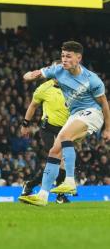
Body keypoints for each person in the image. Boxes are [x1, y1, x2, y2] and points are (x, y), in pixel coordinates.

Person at [20, 41, 110, 206]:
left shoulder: (92, 79)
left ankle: (70, 180)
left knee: (65, 136)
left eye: (68, 56)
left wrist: (108, 129)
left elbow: (104, 104)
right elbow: (35, 74)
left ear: (78, 58)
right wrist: (29, 75)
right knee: (54, 151)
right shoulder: (57, 71)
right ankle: (42, 195)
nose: (64, 59)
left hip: (92, 113)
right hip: (75, 115)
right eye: (62, 56)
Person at [18, 67, 70, 203]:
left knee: (62, 163)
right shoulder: (44, 88)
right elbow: (33, 106)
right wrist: (25, 124)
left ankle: (30, 184)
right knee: (59, 160)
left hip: (65, 129)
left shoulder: (71, 86)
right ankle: (60, 195)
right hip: (48, 129)